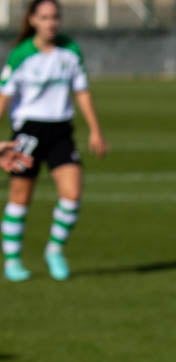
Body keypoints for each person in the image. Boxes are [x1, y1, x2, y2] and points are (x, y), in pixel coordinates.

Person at [1, 0, 105, 283]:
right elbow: (3, 98)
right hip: (28, 133)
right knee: (20, 198)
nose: (51, 23)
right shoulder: (20, 55)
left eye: (55, 17)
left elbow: (81, 91)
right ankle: (12, 260)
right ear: (33, 20)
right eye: (45, 17)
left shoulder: (70, 51)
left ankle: (54, 249)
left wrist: (95, 130)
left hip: (61, 131)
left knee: (72, 194)